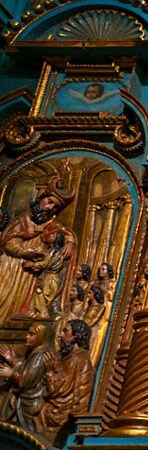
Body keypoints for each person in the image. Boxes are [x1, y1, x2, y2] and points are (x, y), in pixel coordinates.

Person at [0, 180, 78, 324]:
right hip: (11, 266)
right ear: (40, 199)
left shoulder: (50, 224)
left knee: (16, 302)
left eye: (54, 207)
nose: (50, 208)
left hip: (27, 275)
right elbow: (9, 241)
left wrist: (70, 242)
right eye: (49, 202)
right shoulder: (21, 220)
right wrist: (24, 251)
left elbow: (65, 232)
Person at [0, 319, 58, 433]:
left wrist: (12, 374)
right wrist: (12, 360)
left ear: (42, 337)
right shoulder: (34, 353)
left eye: (31, 334)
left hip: (29, 404)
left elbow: (26, 381)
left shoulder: (40, 356)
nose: (26, 337)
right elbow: (27, 370)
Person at [42, 318, 95, 435]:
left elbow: (75, 393)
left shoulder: (81, 360)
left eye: (65, 331)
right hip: (53, 407)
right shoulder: (65, 357)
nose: (60, 335)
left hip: (62, 415)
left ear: (76, 336)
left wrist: (51, 372)